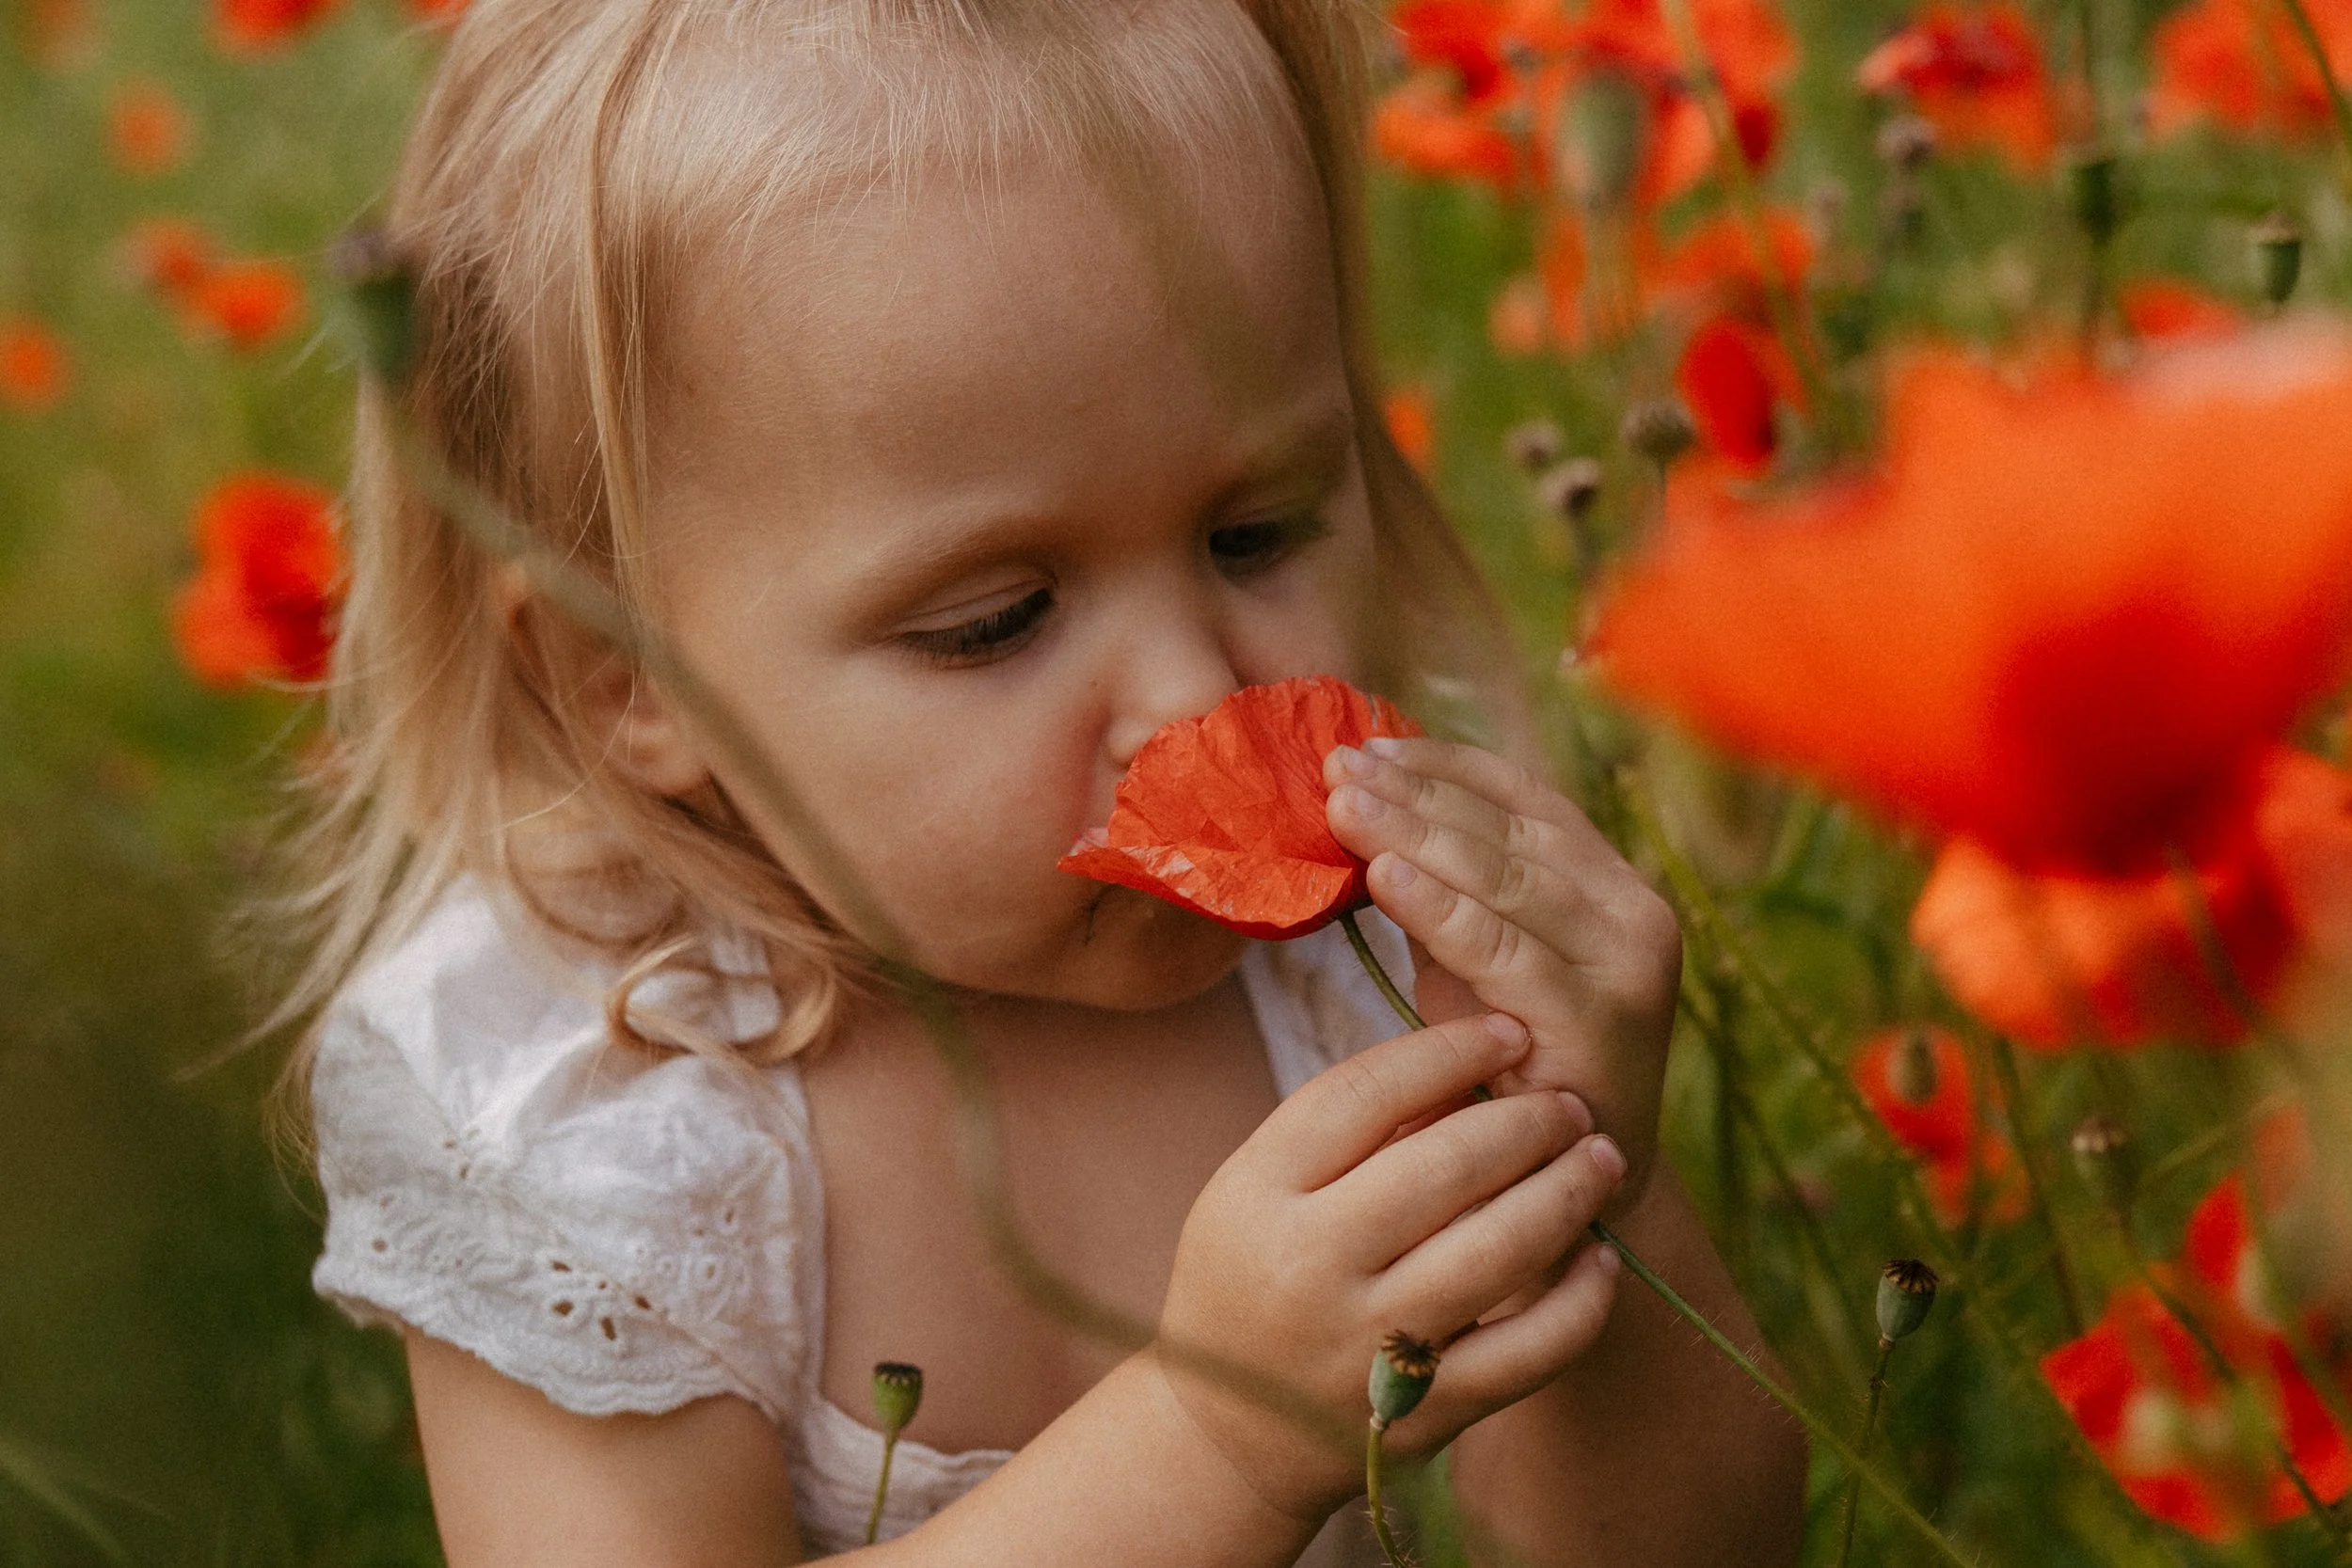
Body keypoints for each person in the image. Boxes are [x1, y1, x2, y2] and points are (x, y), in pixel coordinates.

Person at [292, 0, 1807, 1561]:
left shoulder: (1377, 975)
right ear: (625, 680)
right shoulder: (589, 1119)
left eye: (1259, 533)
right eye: (993, 621)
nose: (1199, 694)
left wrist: (1585, 1164)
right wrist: (1222, 1433)